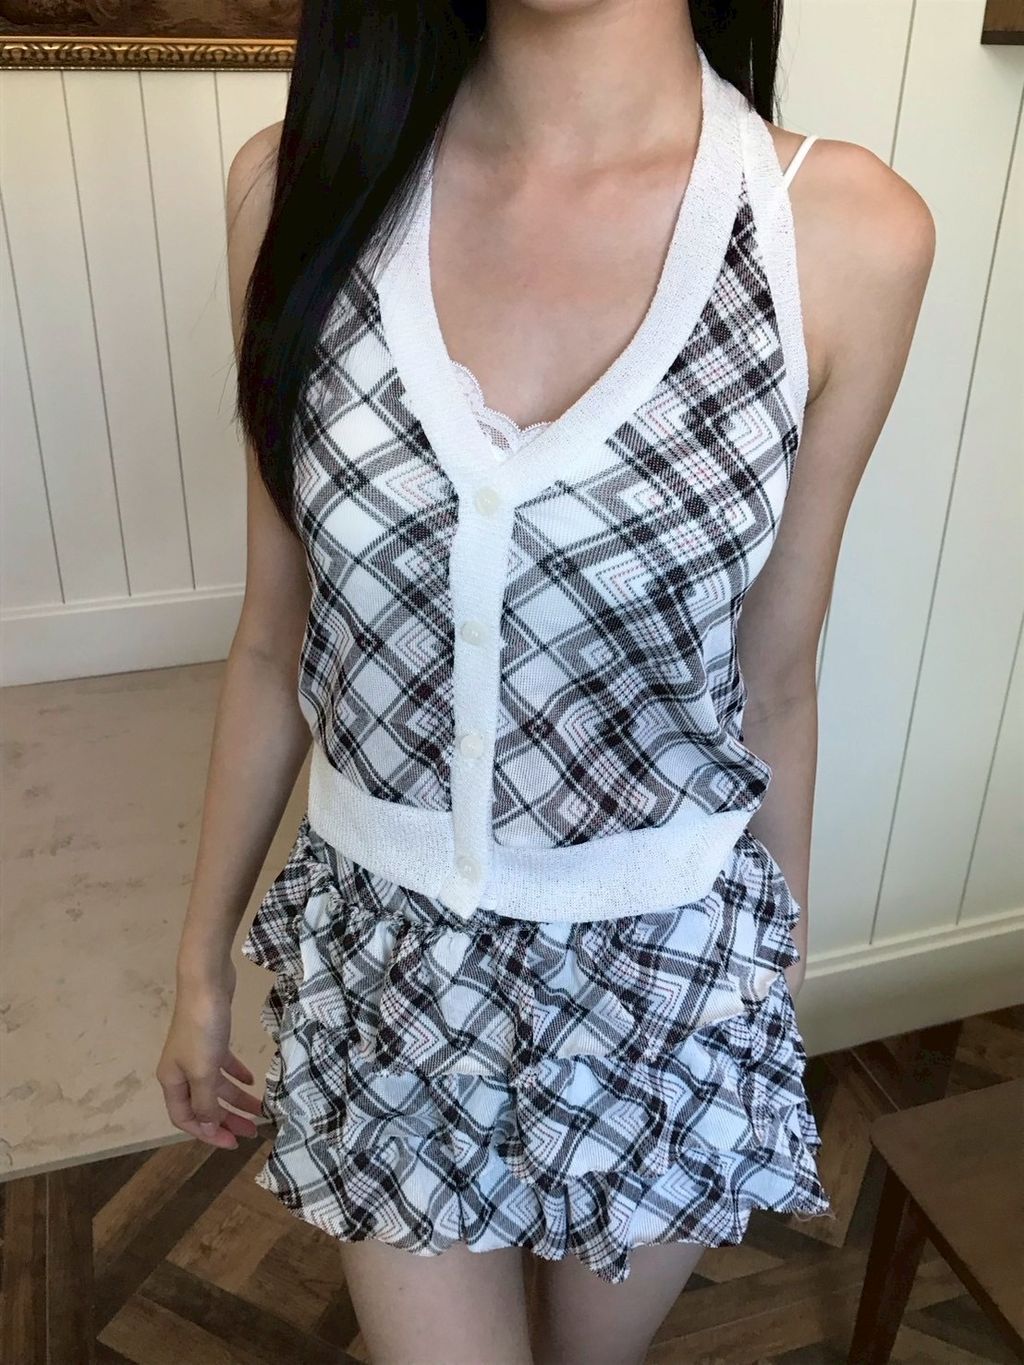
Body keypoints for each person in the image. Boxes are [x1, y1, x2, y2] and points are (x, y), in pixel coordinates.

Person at [156, 2, 935, 1361]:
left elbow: (776, 677)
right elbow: (277, 637)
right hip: (394, 974)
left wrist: (770, 984)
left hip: (666, 979)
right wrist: (199, 956)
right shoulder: (299, 190)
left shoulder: (845, 234)